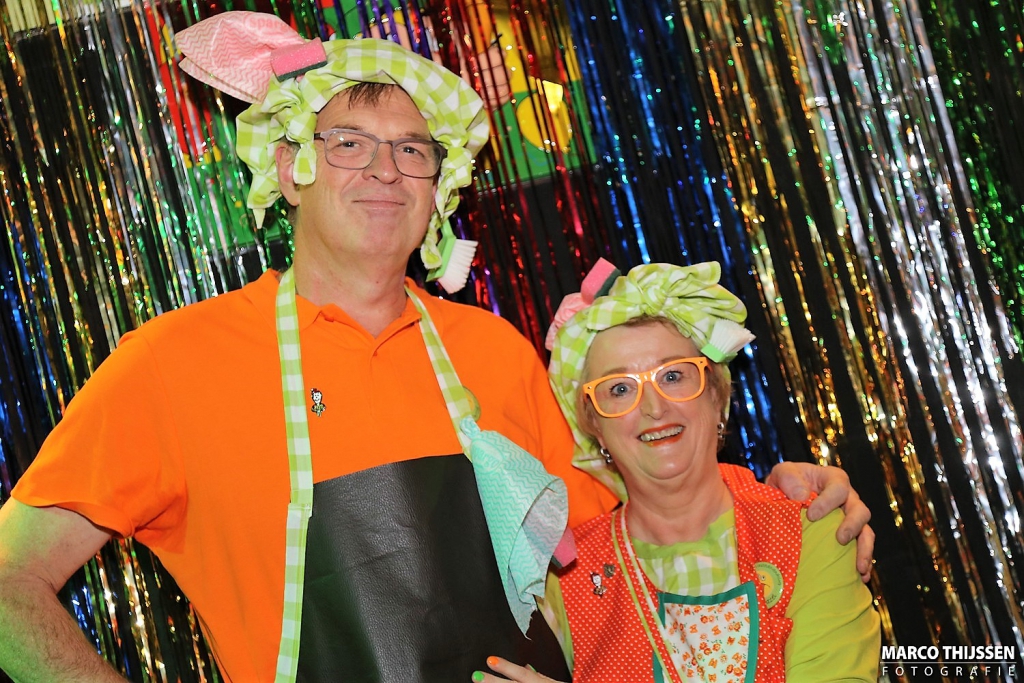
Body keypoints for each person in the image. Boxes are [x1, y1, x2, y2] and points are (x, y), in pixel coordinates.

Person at [0, 12, 871, 683]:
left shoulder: (493, 352)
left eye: (412, 150)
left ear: (438, 188)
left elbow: (634, 531)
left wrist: (779, 501)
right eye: (349, 142)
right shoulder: (173, 363)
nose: (385, 170)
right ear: (292, 169)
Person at [477, 261, 880, 683]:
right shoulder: (564, 581)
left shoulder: (808, 529)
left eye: (672, 376)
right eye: (620, 389)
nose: (653, 407)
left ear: (716, 396)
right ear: (594, 425)